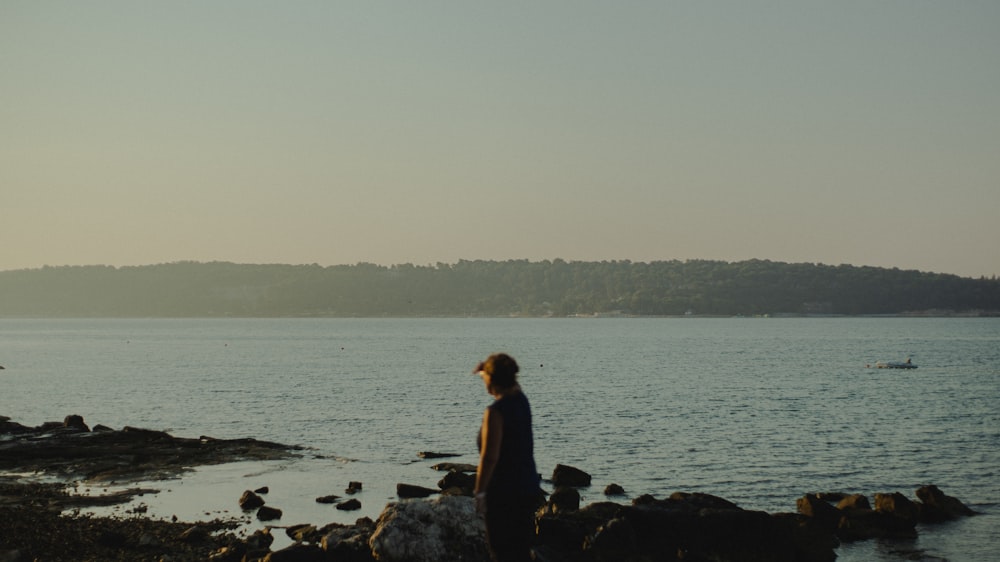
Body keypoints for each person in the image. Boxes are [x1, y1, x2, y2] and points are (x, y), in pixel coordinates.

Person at [474, 353, 543, 562]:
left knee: (502, 552)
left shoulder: (495, 412)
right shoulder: (521, 400)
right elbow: (513, 385)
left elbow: (489, 457)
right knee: (521, 552)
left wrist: (480, 493)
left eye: (485, 376)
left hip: (503, 495)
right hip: (527, 489)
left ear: (492, 379)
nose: (482, 380)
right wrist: (487, 368)